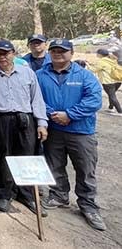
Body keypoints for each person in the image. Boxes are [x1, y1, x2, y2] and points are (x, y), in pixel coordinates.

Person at [37, 39, 106, 231]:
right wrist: (53, 114)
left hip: (81, 131)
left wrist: (70, 115)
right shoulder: (40, 75)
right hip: (54, 130)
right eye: (54, 50)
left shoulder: (84, 75)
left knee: (85, 168)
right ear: (49, 53)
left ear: (71, 53)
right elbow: (36, 98)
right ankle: (59, 195)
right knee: (55, 165)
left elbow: (94, 100)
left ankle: (88, 205)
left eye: (62, 50)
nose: (58, 53)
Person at [0, 40, 48, 216]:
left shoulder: (27, 73)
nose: (2, 57)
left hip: (25, 119)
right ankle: (4, 192)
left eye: (6, 53)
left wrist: (41, 123)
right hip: (0, 120)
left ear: (13, 53)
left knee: (26, 156)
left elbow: (37, 99)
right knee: (2, 156)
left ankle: (27, 194)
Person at [87, 49, 121, 114]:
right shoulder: (112, 60)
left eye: (97, 53)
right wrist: (91, 64)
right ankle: (111, 108)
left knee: (112, 96)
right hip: (117, 80)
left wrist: (87, 65)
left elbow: (93, 70)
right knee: (111, 95)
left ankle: (120, 111)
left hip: (108, 82)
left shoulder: (101, 61)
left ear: (100, 54)